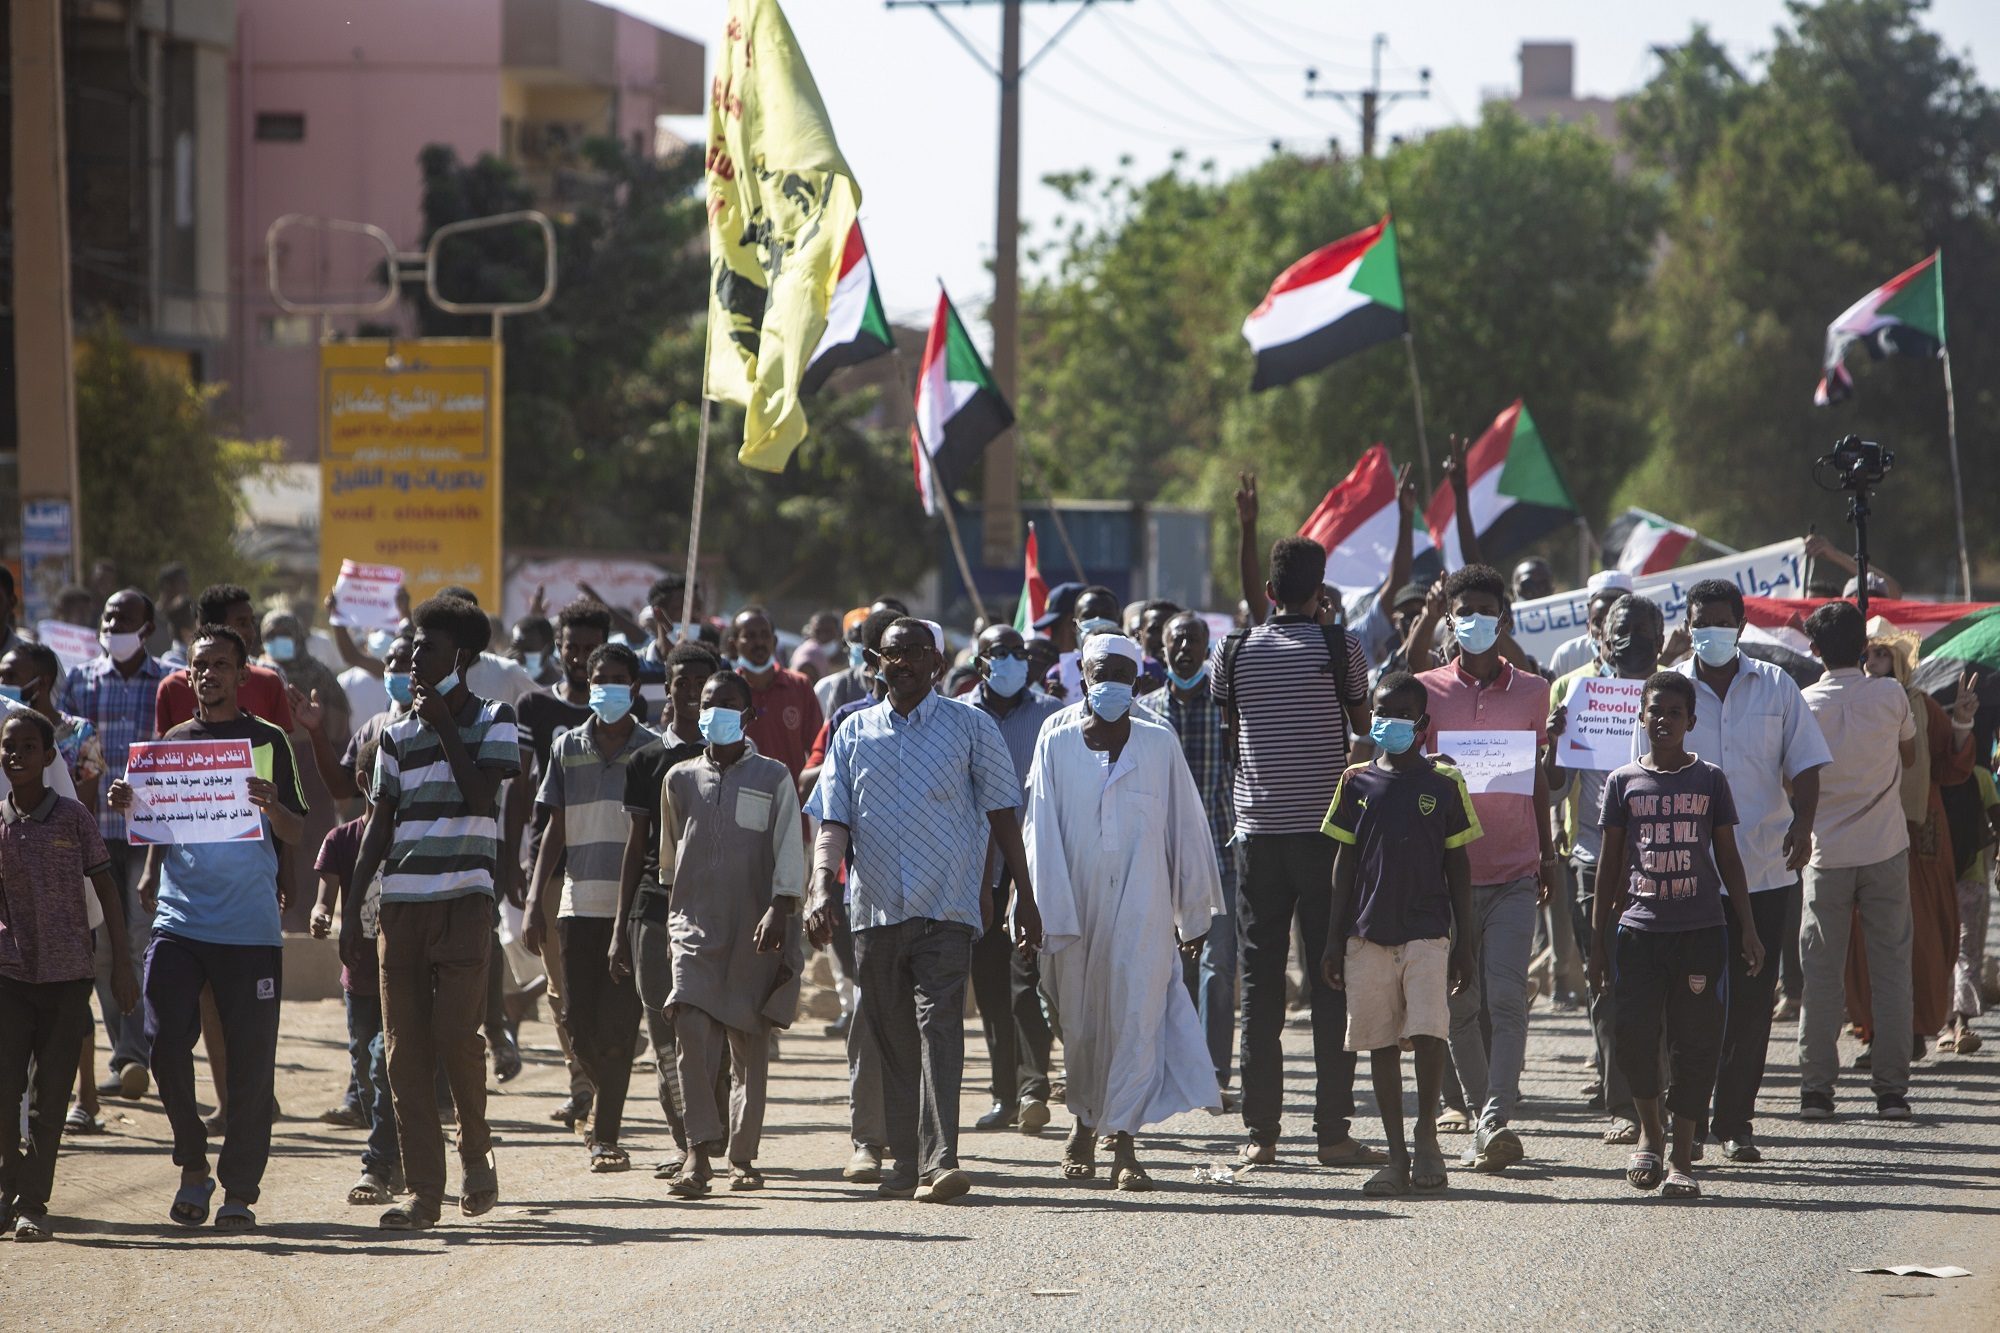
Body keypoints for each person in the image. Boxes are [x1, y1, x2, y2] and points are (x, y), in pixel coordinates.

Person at [803, 619, 1039, 1204]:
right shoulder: (852, 732)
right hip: (876, 911)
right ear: (876, 662)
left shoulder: (971, 727)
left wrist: (1025, 896)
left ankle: (943, 1160)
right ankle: (905, 1164)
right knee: (892, 1038)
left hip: (948, 905)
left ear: (937, 664)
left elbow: (1003, 816)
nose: (902, 661)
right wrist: (818, 887)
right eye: (892, 653)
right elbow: (833, 821)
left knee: (940, 1027)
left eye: (914, 652)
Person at [108, 626, 307, 1232]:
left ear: (243, 675)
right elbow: (166, 823)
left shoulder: (269, 741)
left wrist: (273, 805)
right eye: (201, 665)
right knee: (164, 1042)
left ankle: (238, 1191)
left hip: (248, 927)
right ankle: (193, 1165)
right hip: (181, 918)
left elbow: (298, 830)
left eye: (222, 664)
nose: (210, 674)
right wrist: (136, 825)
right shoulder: (173, 742)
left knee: (249, 1063)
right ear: (189, 675)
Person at [1024, 634, 1223, 1189]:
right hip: (1073, 905)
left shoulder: (1159, 743)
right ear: (1081, 676)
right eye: (1097, 673)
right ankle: (1085, 1122)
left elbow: (1185, 827)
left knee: (1138, 1017)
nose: (1107, 684)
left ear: (1137, 681)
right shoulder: (1055, 738)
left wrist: (1192, 915)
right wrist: (1037, 911)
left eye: (1119, 674)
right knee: (1081, 1023)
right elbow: (1038, 829)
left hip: (1144, 907)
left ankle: (1125, 1143)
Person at [349, 596, 521, 1229]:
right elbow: (377, 828)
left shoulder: (495, 719)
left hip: (465, 903)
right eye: (412, 646)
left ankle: (475, 1152)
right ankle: (425, 1191)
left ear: (463, 657)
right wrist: (351, 912)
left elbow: (482, 800)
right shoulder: (393, 735)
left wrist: (446, 724)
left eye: (428, 648)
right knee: (402, 1053)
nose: (414, 657)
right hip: (402, 907)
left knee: (454, 1036)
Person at [1210, 534, 1377, 1168]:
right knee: (1332, 975)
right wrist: (1328, 631)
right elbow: (1363, 726)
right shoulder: (1341, 647)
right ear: (1321, 589)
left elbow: (1232, 718)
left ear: (1271, 592)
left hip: (1258, 837)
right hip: (1327, 839)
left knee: (1261, 986)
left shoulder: (1236, 650)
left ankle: (1261, 1135)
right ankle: (1332, 1134)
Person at [1591, 671, 1764, 1200]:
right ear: (1640, 717)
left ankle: (1683, 1157)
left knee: (1696, 1042)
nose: (1662, 720)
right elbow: (1610, 864)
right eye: (1653, 711)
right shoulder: (1623, 782)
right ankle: (1650, 1133)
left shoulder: (1709, 779)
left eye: (1673, 713)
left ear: (1691, 721)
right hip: (1640, 933)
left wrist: (1749, 929)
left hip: (1700, 932)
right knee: (1635, 1036)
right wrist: (1598, 944)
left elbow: (1728, 857)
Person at [1671, 579, 1827, 1158]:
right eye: (1698, 622)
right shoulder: (1668, 692)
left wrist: (1803, 825)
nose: (1708, 631)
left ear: (1739, 625)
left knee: (1752, 1004)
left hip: (1764, 868)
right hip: (1686, 875)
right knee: (1688, 999)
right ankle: (1684, 1112)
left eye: (1719, 621)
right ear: (1687, 627)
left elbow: (1807, 763)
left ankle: (1735, 1122)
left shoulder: (1777, 686)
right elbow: (1639, 774)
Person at [1415, 564, 1556, 1170]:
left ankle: (1496, 1114)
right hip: (1449, 875)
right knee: (1460, 1004)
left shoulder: (1534, 690)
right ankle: (1481, 1118)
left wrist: (1548, 853)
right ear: (1450, 617)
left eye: (1484, 611)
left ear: (1503, 620)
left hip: (1516, 870)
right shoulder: (1423, 690)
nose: (1472, 620)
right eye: (1461, 610)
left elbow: (1539, 780)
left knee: (1507, 997)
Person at [1320, 672, 1479, 1196]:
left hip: (1428, 934)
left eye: (1400, 715)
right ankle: (1396, 1154)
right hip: (1367, 936)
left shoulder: (1445, 783)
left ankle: (1427, 1136)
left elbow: (1459, 869)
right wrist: (1332, 940)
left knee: (1430, 1034)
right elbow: (1343, 866)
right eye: (1380, 712)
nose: (1387, 723)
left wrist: (1465, 943)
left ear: (1423, 724)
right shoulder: (1355, 780)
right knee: (1380, 1042)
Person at [656, 670, 805, 1196]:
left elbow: (790, 849)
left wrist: (780, 908)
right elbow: (671, 860)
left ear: (748, 715)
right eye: (706, 702)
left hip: (757, 926)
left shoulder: (774, 776)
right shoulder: (678, 779)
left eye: (726, 704)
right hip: (693, 924)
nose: (714, 711)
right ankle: (698, 1152)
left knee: (748, 1044)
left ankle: (742, 1156)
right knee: (691, 1031)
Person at [523, 643, 661, 1174]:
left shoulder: (653, 750)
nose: (607, 686)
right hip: (578, 903)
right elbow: (554, 828)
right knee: (577, 1021)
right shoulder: (565, 747)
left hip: (631, 910)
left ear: (633, 685)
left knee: (621, 1025)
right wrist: (536, 898)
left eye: (619, 679)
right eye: (599, 676)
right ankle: (610, 1083)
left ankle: (605, 1135)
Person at [0, 711, 139, 1241]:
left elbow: (106, 889)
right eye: (8, 748)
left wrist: (121, 962)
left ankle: (33, 1201)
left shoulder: (74, 819)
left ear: (48, 755)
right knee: (4, 1087)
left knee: (50, 1096)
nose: (16, 756)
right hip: (10, 975)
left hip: (67, 977)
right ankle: (6, 1189)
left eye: (28, 747)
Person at [1545, 593, 1664, 1144]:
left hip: (1667, 858)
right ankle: (1623, 1105)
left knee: (1660, 986)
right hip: (1595, 861)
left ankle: (1665, 1096)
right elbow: (1553, 791)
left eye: (1644, 629)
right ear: (1600, 636)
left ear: (1662, 640)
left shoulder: (1681, 693)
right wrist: (1553, 747)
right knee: (1607, 983)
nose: (1632, 637)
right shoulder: (1576, 693)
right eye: (1622, 627)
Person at [1798, 601, 1917, 1121]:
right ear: (1865, 647)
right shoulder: (1891, 694)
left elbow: (1795, 777)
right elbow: (1909, 755)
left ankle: (1817, 1090)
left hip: (1826, 854)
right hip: (1886, 848)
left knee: (1821, 975)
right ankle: (1891, 1090)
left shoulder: (1803, 703)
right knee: (1891, 970)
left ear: (1816, 649)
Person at [611, 642, 719, 1172]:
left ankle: (710, 1133)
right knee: (664, 1034)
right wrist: (618, 928)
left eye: (704, 682)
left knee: (708, 1031)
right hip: (653, 911)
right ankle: (689, 1144)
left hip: (716, 915)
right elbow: (637, 848)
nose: (693, 692)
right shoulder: (646, 761)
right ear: (668, 689)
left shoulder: (738, 762)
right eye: (683, 682)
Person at [60, 586, 172, 1100]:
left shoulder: (170, 680)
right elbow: (65, 751)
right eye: (107, 618)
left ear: (146, 629)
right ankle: (126, 1051)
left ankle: (141, 1049)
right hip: (95, 831)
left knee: (143, 940)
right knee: (103, 949)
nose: (112, 627)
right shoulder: (81, 681)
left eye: (123, 620)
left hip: (151, 836)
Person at [513, 599, 618, 1126]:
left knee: (608, 981)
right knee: (561, 989)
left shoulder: (626, 712)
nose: (578, 658)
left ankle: (605, 1076)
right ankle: (584, 1086)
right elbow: (520, 786)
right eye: (570, 647)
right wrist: (517, 863)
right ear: (557, 648)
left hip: (613, 866)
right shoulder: (535, 709)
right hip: (553, 865)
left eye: (588, 648)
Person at [1852, 624, 1977, 1060]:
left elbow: (1949, 768)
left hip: (1920, 837)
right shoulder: (1849, 702)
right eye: (1866, 655)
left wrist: (1961, 721)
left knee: (1921, 936)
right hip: (1862, 832)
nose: (1872, 663)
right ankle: (1877, 1033)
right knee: (1864, 934)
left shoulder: (1921, 707)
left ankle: (1914, 1029)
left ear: (1900, 662)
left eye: (1882, 655)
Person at [965, 623, 1062, 1135]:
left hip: (1033, 868)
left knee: (1028, 980)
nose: (1006, 660)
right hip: (976, 872)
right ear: (980, 662)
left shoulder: (1050, 714)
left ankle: (1033, 1087)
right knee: (990, 987)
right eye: (996, 652)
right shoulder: (958, 714)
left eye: (1015, 652)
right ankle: (1004, 1093)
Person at [306, 739, 403, 1205]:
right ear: (366, 783)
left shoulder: (409, 838)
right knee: (367, 1072)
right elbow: (325, 897)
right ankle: (398, 1147)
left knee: (388, 1066)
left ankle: (377, 1166)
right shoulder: (341, 839)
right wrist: (321, 915)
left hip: (402, 977)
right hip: (359, 979)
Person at [1153, 612, 1240, 1099]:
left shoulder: (1227, 709)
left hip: (1220, 860)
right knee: (1165, 969)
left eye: (1194, 639)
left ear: (1208, 647)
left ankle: (1212, 1075)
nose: (1185, 647)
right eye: (1176, 639)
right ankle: (1170, 1071)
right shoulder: (1144, 712)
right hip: (1156, 864)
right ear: (1162, 648)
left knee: (1217, 967)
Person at [155, 585, 295, 734]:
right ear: (212, 628)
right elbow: (166, 751)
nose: (252, 633)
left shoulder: (270, 682)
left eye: (251, 623)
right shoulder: (171, 689)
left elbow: (283, 748)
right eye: (242, 623)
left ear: (243, 676)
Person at [729, 605, 823, 782]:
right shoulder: (727, 691)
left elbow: (817, 750)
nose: (759, 642)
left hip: (791, 802)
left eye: (765, 635)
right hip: (741, 803)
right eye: (749, 636)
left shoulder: (799, 685)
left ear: (774, 640)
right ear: (733, 644)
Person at [1546, 571, 1636, 679]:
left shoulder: (1645, 654)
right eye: (1599, 623)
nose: (1607, 632)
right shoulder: (1567, 655)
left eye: (1616, 622)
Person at [509, 615, 560, 687]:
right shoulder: (504, 678)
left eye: (528, 649)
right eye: (515, 649)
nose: (520, 656)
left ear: (549, 649)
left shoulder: (562, 688)